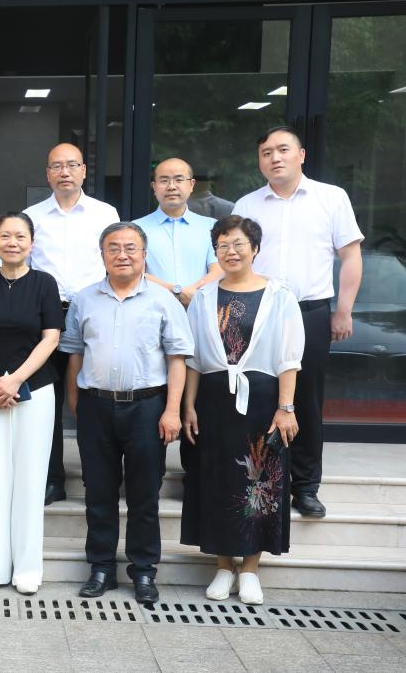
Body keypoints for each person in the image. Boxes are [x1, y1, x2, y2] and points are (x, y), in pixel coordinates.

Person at [232, 125, 364, 518]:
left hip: (310, 312)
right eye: (266, 152)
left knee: (305, 400)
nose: (275, 158)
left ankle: (305, 487)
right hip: (258, 313)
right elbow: (234, 261)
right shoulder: (247, 204)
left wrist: (343, 310)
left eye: (283, 149)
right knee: (257, 397)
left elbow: (351, 256)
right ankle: (260, 479)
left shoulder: (331, 198)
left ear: (301, 155)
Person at [61, 222, 193, 605]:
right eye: (114, 248)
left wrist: (172, 411)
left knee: (144, 494)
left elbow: (178, 359)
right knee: (98, 492)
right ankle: (101, 568)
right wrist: (77, 403)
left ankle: (144, 571)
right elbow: (75, 355)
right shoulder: (85, 299)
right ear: (102, 255)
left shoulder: (164, 301)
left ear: (144, 255)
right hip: (96, 406)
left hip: (148, 408)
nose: (122, 255)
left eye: (131, 248)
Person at [181, 215, 304, 605]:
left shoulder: (279, 295)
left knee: (260, 482)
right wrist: (188, 406)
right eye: (222, 245)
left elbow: (289, 358)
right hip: (213, 401)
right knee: (216, 479)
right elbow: (193, 359)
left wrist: (286, 407)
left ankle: (250, 569)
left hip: (263, 400)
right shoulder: (203, 298)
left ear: (255, 248)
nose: (230, 251)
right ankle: (222, 566)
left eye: (238, 244)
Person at [0, 212, 64, 595]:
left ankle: (27, 568)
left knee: (30, 479)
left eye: (20, 236)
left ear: (31, 243)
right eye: (5, 236)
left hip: (35, 390)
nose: (12, 243)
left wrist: (16, 379)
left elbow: (51, 338)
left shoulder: (44, 283)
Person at [25, 143, 120, 506]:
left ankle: (99, 476)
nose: (64, 172)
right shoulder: (32, 216)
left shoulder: (104, 213)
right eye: (56, 166)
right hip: (46, 315)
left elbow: (114, 260)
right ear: (47, 173)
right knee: (46, 400)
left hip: (94, 311)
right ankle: (52, 479)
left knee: (92, 397)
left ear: (83, 170)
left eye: (71, 165)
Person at [133, 158, 222, 307]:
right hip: (152, 310)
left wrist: (193, 293)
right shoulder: (135, 229)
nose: (171, 186)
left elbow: (218, 269)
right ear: (154, 187)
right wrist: (177, 291)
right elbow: (136, 274)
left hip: (200, 308)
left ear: (191, 185)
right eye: (164, 180)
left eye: (179, 180)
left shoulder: (211, 226)